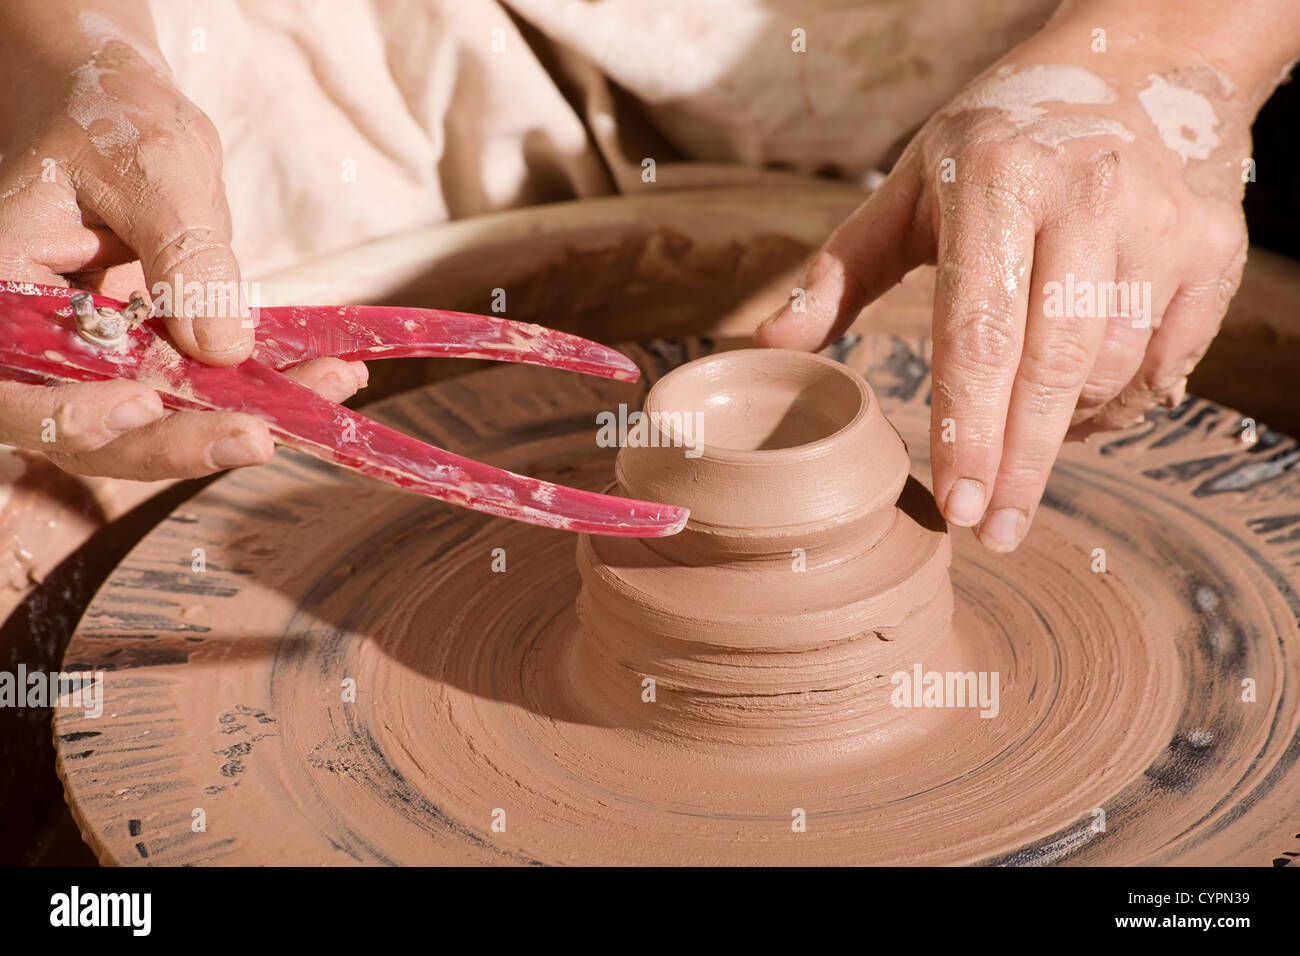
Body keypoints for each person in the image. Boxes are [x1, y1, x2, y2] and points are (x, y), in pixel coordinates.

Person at [1, 0, 1296, 552]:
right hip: (369, 39)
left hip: (978, 55)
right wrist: (76, 71)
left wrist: (1166, 60)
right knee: (50, 464)